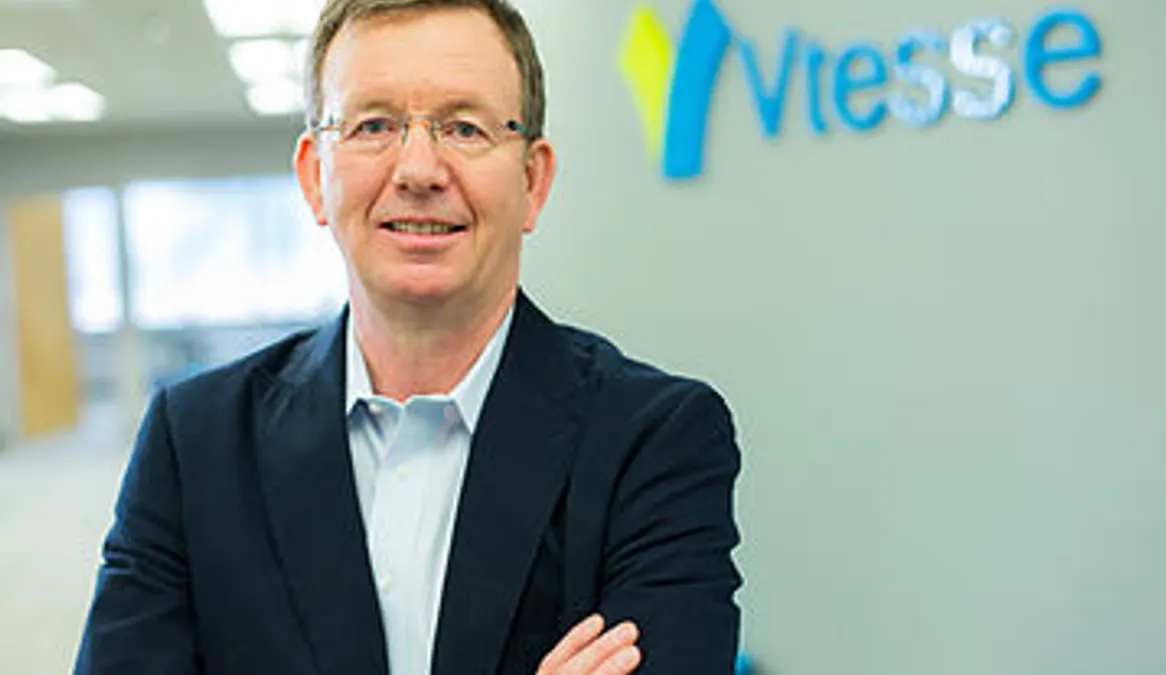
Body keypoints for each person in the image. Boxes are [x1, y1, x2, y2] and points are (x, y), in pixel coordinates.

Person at [73, 1, 743, 673]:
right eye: (374, 125)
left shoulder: (655, 440)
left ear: (532, 180)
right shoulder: (195, 443)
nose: (419, 170)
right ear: (314, 176)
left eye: (464, 127)